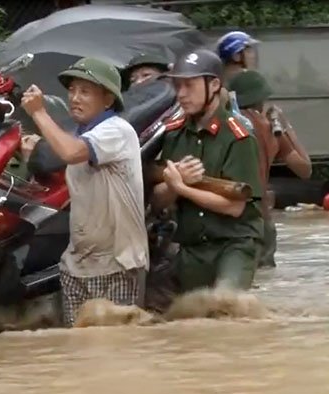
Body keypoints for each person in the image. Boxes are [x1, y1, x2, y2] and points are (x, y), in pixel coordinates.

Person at [20, 57, 149, 326]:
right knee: (79, 354)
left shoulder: (116, 131)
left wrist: (39, 113)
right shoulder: (81, 135)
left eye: (85, 91)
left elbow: (71, 152)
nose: (75, 98)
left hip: (117, 264)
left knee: (117, 351)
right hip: (77, 265)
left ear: (108, 100)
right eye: (72, 90)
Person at [150, 49, 264, 294]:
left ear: (213, 85)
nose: (181, 94)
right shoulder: (174, 134)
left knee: (226, 306)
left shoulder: (238, 136)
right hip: (191, 250)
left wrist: (183, 188)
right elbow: (158, 202)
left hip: (233, 245)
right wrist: (172, 185)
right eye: (177, 86)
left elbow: (235, 207)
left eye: (189, 85)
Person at [227, 70, 312, 268]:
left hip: (234, 219)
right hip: (263, 218)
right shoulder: (271, 130)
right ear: (260, 100)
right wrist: (286, 126)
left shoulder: (229, 126)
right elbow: (305, 169)